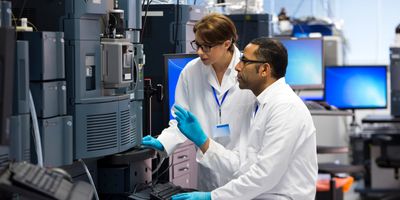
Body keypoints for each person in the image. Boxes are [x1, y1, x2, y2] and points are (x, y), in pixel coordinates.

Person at [171, 37, 318, 200]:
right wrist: (203, 142)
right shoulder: (260, 105)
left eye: (244, 61)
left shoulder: (285, 108)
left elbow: (264, 175)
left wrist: (212, 197)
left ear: (264, 70)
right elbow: (242, 166)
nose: (237, 67)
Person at [141, 13, 255, 191]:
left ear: (227, 43)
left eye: (207, 47)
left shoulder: (248, 71)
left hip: (243, 171)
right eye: (198, 45)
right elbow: (181, 121)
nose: (199, 52)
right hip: (208, 171)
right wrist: (163, 142)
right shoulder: (191, 71)